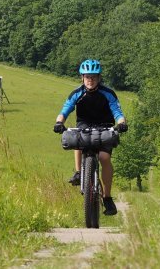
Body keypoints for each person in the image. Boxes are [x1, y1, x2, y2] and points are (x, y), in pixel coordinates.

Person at [53, 59, 127, 216]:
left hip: (105, 126)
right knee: (78, 139)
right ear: (82, 77)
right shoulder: (76, 93)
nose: (90, 79)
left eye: (93, 76)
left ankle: (107, 197)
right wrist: (59, 122)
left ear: (99, 77)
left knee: (105, 158)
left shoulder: (108, 93)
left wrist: (121, 123)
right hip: (84, 125)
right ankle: (79, 172)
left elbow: (118, 112)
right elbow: (65, 110)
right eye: (87, 76)